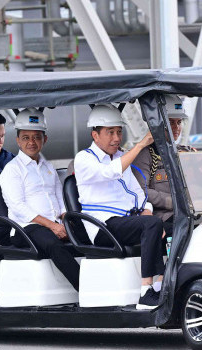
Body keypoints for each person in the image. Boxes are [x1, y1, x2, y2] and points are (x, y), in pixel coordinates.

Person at [73, 104, 164, 310]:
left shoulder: (119, 157)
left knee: (172, 226)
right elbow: (109, 173)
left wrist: (147, 209)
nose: (116, 138)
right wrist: (140, 146)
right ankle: (146, 290)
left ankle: (162, 283)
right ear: (95, 135)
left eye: (119, 132)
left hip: (125, 222)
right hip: (102, 227)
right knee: (151, 225)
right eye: (110, 133)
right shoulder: (84, 158)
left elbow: (138, 192)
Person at [0, 108, 80, 290]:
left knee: (90, 233)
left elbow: (59, 196)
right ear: (18, 141)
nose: (31, 142)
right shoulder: (12, 170)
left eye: (36, 137)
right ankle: (86, 291)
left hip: (54, 222)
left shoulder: (48, 167)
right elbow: (18, 207)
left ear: (45, 139)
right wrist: (53, 226)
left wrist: (65, 218)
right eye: (26, 138)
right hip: (26, 228)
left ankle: (109, 285)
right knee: (53, 244)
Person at [132, 94, 195, 236]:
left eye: (179, 122)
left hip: (189, 212)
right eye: (171, 122)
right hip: (165, 217)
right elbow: (142, 192)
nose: (176, 127)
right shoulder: (144, 154)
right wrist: (174, 202)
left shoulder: (186, 152)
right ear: (159, 123)